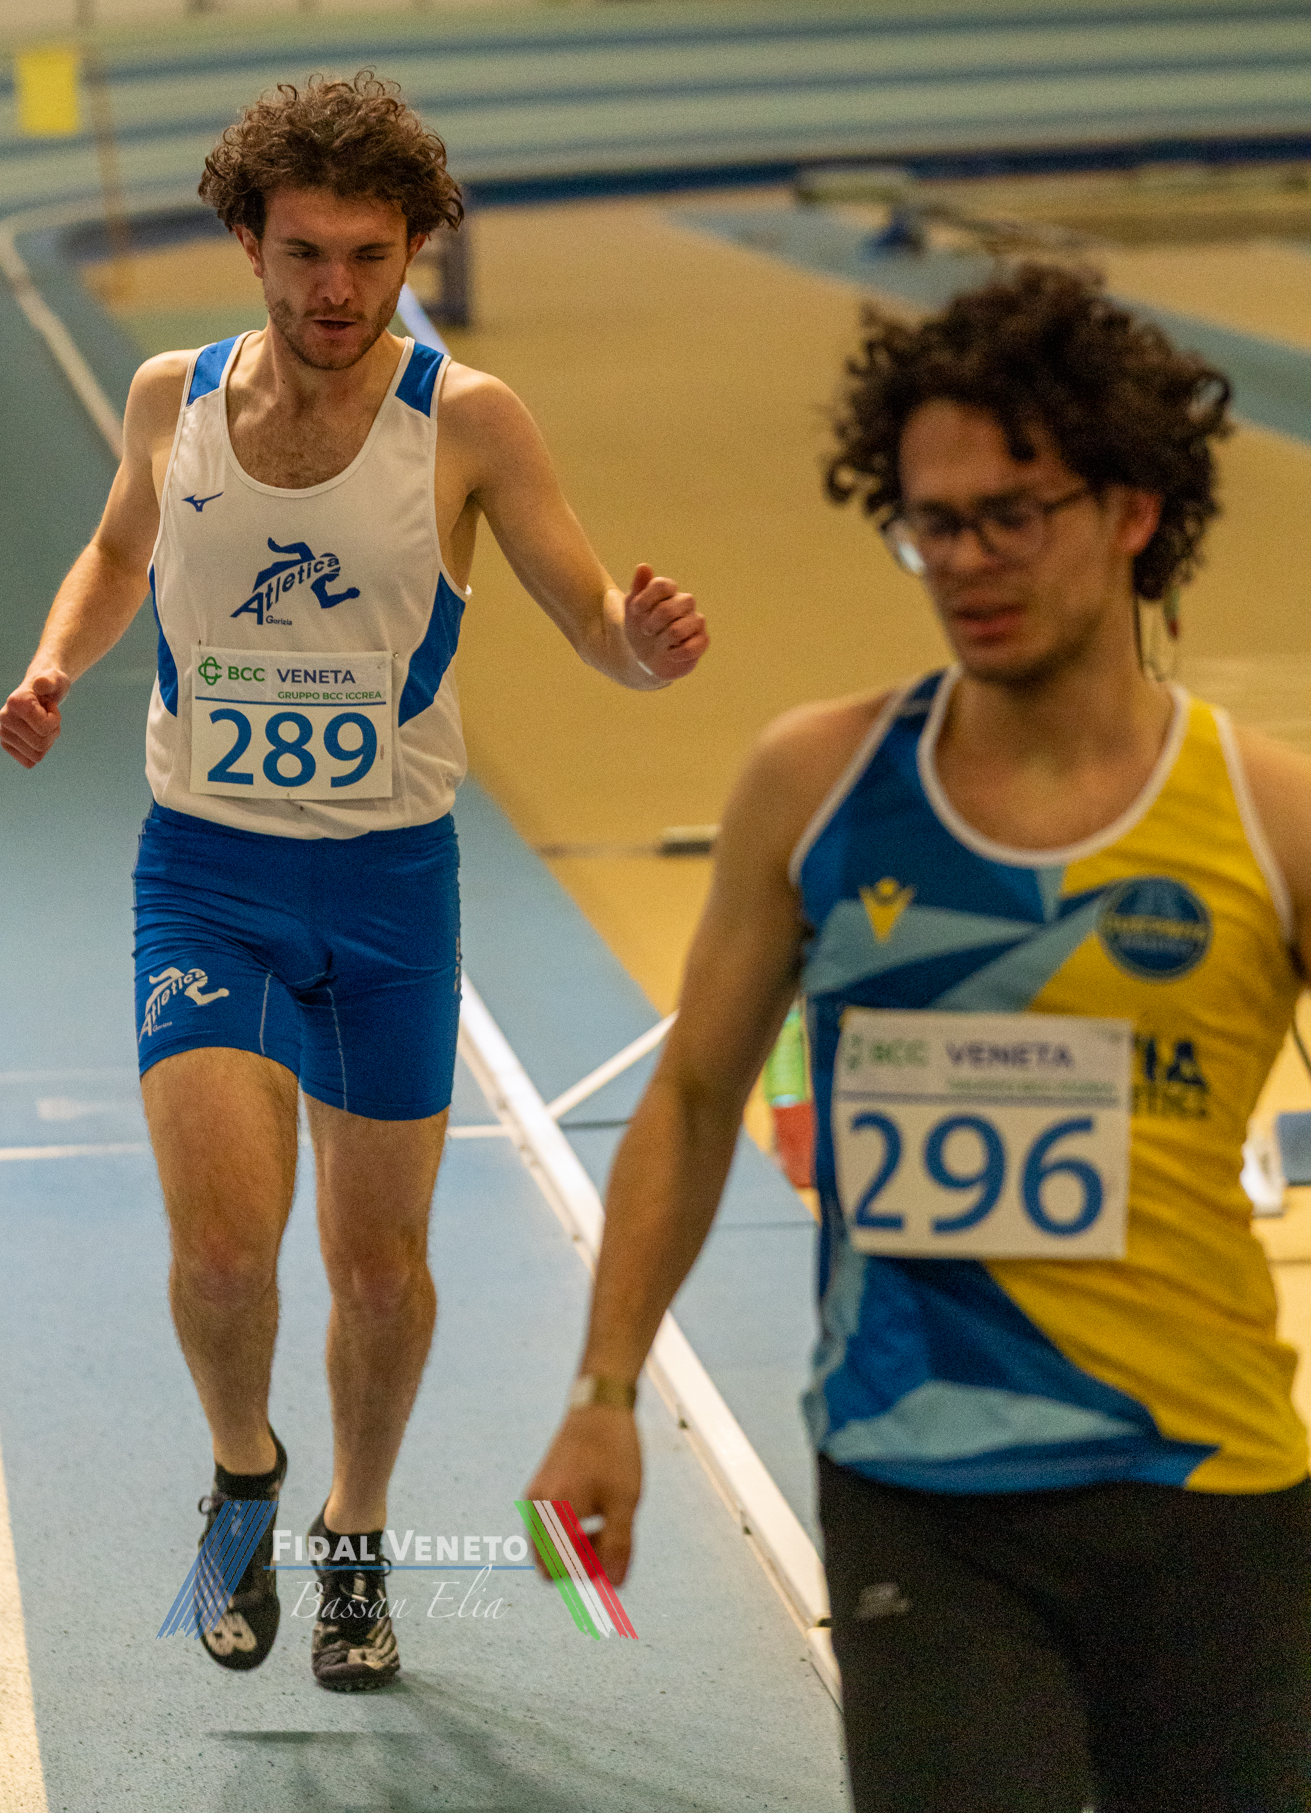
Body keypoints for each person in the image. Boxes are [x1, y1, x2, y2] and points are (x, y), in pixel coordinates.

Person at [529, 263, 1311, 1813]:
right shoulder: (816, 782)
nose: (963, 560)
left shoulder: (1269, 816)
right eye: (929, 522)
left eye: (1008, 514)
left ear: (1132, 510)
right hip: (915, 1486)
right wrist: (604, 1391)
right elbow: (692, 1095)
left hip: (1208, 1484)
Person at [0, 72, 708, 1695]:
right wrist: (54, 662)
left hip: (389, 889)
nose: (337, 289)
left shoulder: (469, 420)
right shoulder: (170, 398)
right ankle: (243, 1472)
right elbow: (116, 552)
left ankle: (357, 1528)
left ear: (411, 251)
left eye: (370, 257)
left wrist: (644, 650)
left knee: (377, 1267)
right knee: (221, 1251)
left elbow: (588, 614)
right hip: (207, 871)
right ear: (248, 243)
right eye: (306, 253)